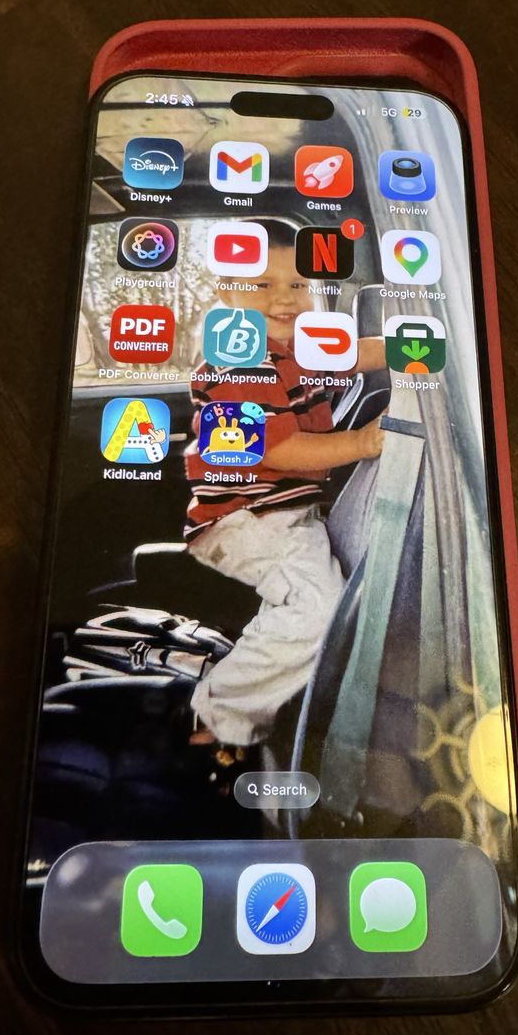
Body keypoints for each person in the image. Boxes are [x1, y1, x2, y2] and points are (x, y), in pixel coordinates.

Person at [184, 220, 386, 753]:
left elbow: (355, 353)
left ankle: (244, 686)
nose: (284, 298)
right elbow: (275, 449)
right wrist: (362, 442)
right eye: (262, 285)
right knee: (317, 611)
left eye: (297, 284)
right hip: (245, 518)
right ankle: (221, 717)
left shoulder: (296, 347)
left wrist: (413, 346)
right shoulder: (237, 361)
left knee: (308, 601)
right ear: (225, 292)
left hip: (276, 514)